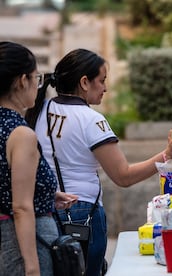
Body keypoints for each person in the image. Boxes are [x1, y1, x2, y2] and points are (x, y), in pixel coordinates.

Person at [24, 48, 172, 276]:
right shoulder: (92, 120)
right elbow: (124, 176)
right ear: (85, 82)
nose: (105, 88)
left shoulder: (39, 110)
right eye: (101, 81)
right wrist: (168, 155)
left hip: (45, 211)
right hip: (82, 213)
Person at [0, 41, 78, 276]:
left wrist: (45, 193)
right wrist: (32, 268)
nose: (37, 84)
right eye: (36, 78)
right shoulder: (20, 133)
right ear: (22, 80)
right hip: (24, 243)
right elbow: (21, 207)